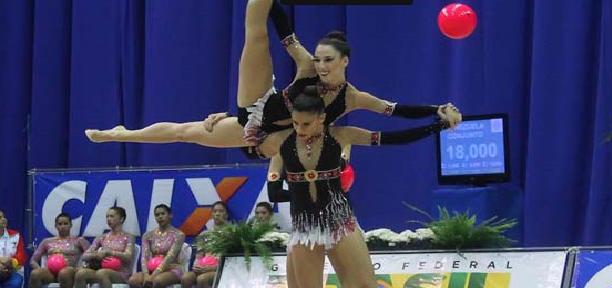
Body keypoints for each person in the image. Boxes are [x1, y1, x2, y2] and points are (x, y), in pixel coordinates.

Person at [253, 83, 449, 288]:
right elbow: (243, 132)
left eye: (306, 124)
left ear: (321, 118)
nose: (301, 130)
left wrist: (437, 125)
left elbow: (395, 139)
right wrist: (216, 119)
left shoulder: (342, 136)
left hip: (340, 224)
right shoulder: (281, 143)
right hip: (305, 229)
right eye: (295, 123)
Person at [84, 0, 460, 151]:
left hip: (276, 139)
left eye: (329, 60)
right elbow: (280, 24)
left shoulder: (352, 98)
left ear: (345, 62)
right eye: (320, 59)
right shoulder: (307, 66)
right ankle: (122, 133)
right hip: (258, 107)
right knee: (255, 31)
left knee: (193, 135)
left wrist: (436, 112)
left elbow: (396, 113)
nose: (322, 65)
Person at [74, 207, 135, 288]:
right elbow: (85, 256)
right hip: (102, 271)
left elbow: (128, 257)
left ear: (121, 219)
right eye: (107, 216)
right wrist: (96, 255)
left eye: (112, 216)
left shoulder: (128, 237)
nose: (108, 219)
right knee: (81, 274)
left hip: (121, 273)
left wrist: (110, 252)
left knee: (102, 273)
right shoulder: (102, 237)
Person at [128, 204, 185, 288]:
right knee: (133, 281)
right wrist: (146, 274)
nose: (160, 217)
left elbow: (170, 256)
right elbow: (144, 257)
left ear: (170, 215)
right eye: (157, 215)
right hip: (151, 269)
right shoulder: (148, 235)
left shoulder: (179, 235)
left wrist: (153, 275)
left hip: (172, 269)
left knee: (158, 281)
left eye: (163, 214)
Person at [28, 213, 90, 288]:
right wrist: (39, 269)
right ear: (56, 226)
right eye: (60, 224)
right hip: (51, 273)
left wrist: (83, 267)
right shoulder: (47, 241)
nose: (62, 226)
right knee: (35, 274)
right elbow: (33, 260)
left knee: (64, 272)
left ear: (71, 225)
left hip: (70, 271)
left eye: (65, 223)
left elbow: (90, 255)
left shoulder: (78, 240)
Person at [181, 201, 229, 288]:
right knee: (185, 278)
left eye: (221, 211)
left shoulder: (231, 233)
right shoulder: (204, 234)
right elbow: (199, 254)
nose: (217, 214)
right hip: (203, 268)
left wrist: (214, 268)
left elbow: (230, 258)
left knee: (202, 279)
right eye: (215, 211)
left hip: (221, 269)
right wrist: (197, 266)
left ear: (226, 215)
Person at [0, 210, 26, 288]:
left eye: (3, 217)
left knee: (14, 284)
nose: (4, 219)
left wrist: (9, 263)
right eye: (0, 217)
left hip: (12, 271)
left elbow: (21, 257)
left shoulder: (15, 235)